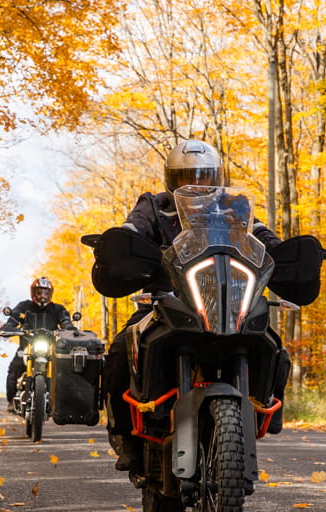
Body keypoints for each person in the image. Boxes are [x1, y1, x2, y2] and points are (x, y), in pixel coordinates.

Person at [97, 139, 291, 473]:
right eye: (186, 177)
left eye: (204, 176)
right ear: (170, 180)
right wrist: (121, 243)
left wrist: (283, 253)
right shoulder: (154, 206)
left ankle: (269, 410)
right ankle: (125, 437)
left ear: (217, 177)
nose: (196, 184)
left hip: (229, 301)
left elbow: (260, 235)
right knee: (119, 352)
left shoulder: (233, 207)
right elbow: (132, 231)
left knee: (274, 346)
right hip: (164, 301)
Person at [0, 277, 76, 413]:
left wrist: (70, 328)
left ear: (51, 293)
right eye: (39, 292)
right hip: (27, 347)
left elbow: (65, 321)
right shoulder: (24, 307)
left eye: (46, 292)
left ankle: (65, 402)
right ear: (33, 292)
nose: (42, 296)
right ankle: (11, 400)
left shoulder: (57, 309)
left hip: (51, 348)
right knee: (14, 369)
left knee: (66, 370)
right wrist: (9, 326)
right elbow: (14, 318)